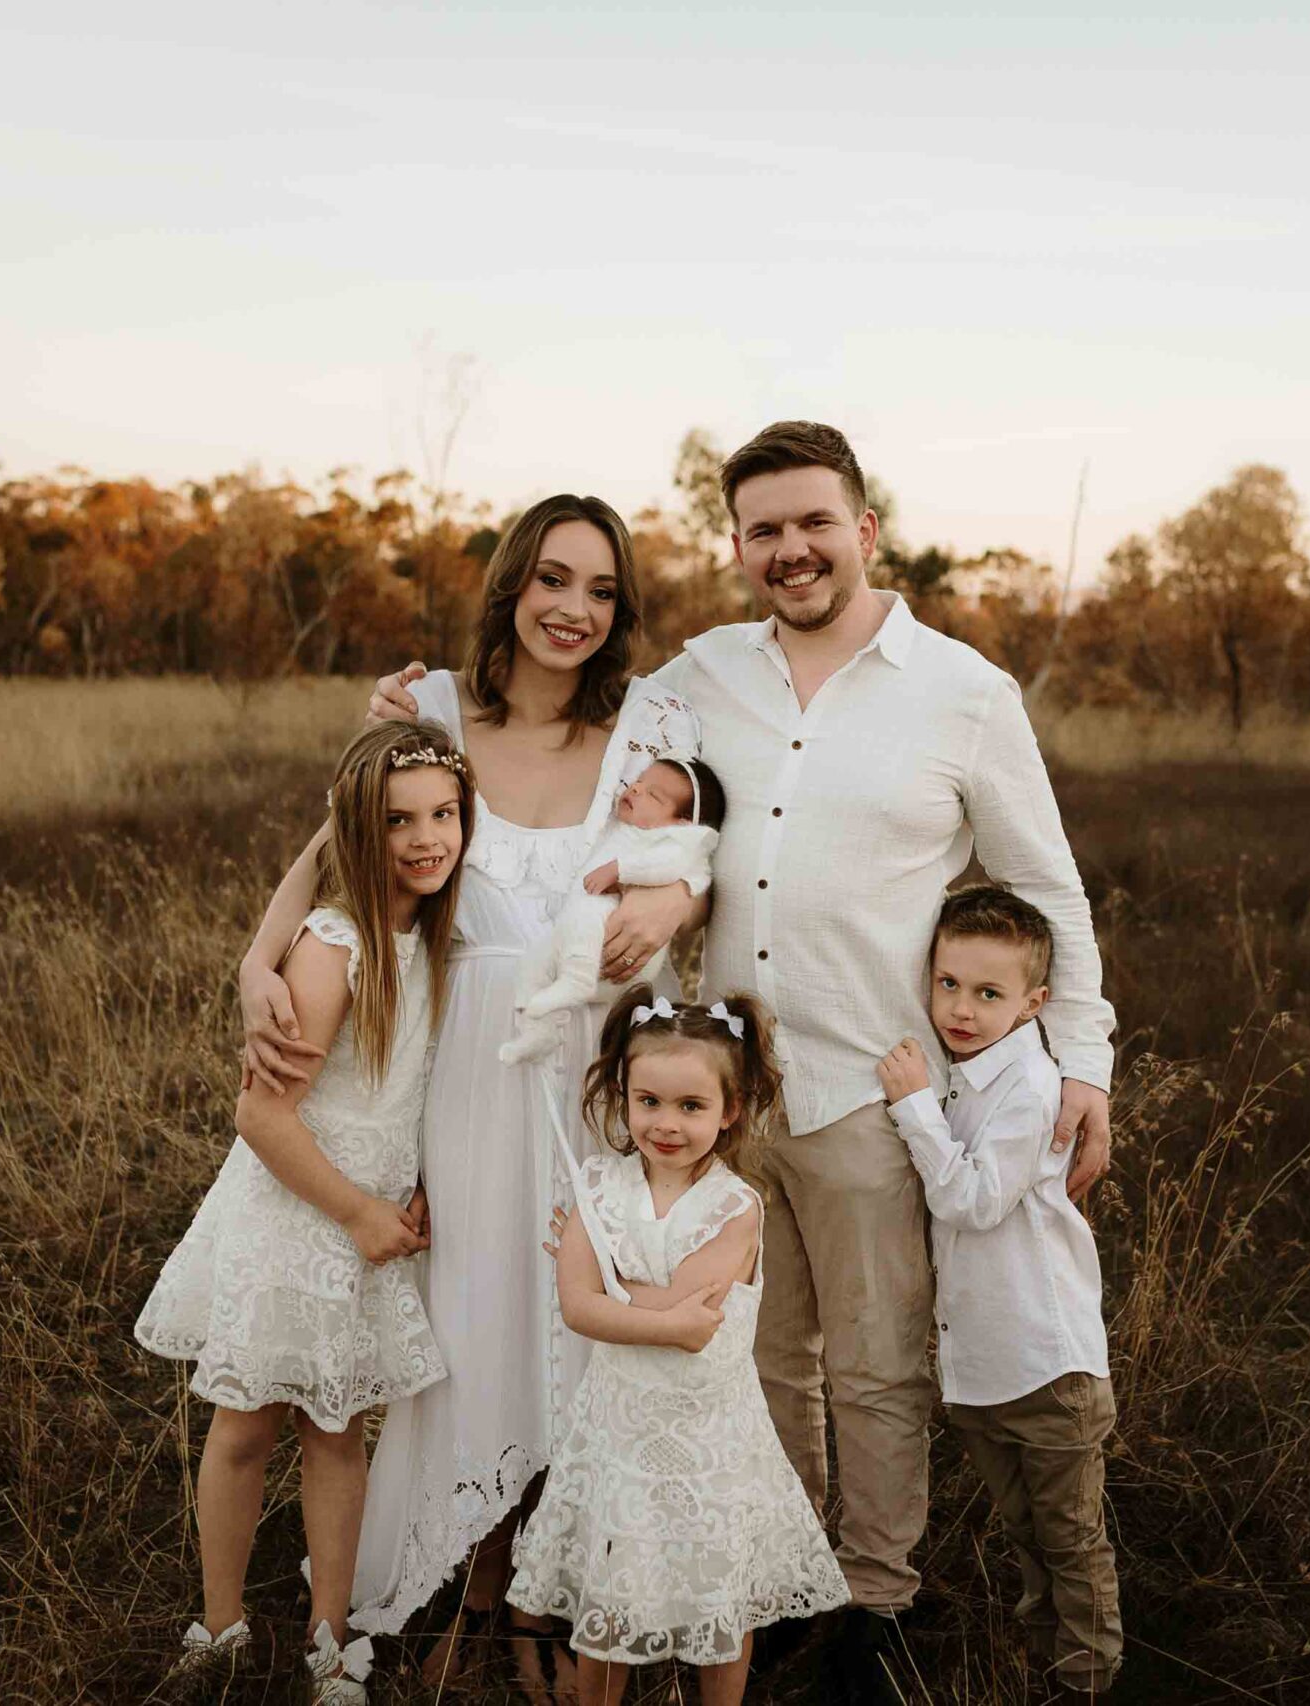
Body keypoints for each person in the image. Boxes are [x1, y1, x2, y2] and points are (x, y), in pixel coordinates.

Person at [366, 420, 1115, 1696]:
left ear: (866, 529)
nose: (791, 550)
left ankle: (873, 1599)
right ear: (737, 546)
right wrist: (420, 707)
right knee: (744, 1355)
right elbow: (564, 686)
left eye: (815, 522)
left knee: (876, 1359)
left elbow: (1044, 881)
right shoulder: (698, 678)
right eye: (762, 529)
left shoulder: (965, 690)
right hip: (708, 1089)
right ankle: (763, 1580)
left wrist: (1083, 1055)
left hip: (872, 1078)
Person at [236, 493, 700, 1695]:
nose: (575, 611)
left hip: (605, 1070)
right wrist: (257, 954)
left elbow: (699, 856)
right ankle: (480, 1570)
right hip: (463, 1072)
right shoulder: (431, 708)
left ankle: (562, 1577)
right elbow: (343, 835)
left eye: (601, 591)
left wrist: (677, 903)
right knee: (477, 1313)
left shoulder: (652, 720)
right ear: (511, 586)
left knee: (590, 1316)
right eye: (554, 580)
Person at [135, 720, 471, 1703]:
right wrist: (359, 1210)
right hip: (300, 1206)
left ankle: (333, 1640)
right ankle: (220, 1623)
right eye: (398, 819)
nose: (426, 836)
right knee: (245, 1422)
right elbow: (258, 1110)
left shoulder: (439, 939)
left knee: (336, 1427)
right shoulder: (334, 946)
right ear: (356, 832)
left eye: (444, 813)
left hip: (370, 1216)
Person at [508, 986, 850, 1706]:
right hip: (621, 1432)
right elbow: (581, 1310)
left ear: (731, 1110)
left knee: (715, 1597)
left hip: (709, 1440)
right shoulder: (596, 1186)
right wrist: (642, 1309)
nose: (666, 1124)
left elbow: (686, 1316)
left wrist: (611, 1281)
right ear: (622, 1096)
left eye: (691, 1107)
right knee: (613, 1588)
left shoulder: (736, 1207)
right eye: (649, 1102)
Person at [877, 886, 1119, 1700]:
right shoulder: (961, 1069)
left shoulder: (1030, 1088)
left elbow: (973, 1200)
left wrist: (913, 1107)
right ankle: (1039, 1658)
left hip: (1047, 1365)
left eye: (989, 994)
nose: (963, 1009)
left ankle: (1084, 1679)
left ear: (1033, 1002)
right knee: (1024, 1531)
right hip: (981, 1367)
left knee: (1071, 1539)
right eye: (949, 984)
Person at [499, 755, 723, 1065]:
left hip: (618, 945)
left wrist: (620, 870)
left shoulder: (678, 842)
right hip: (581, 936)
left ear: (682, 822)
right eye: (638, 783)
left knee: (586, 919)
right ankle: (538, 1032)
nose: (636, 790)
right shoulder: (623, 828)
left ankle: (577, 979)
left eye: (654, 795)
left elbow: (668, 866)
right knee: (534, 963)